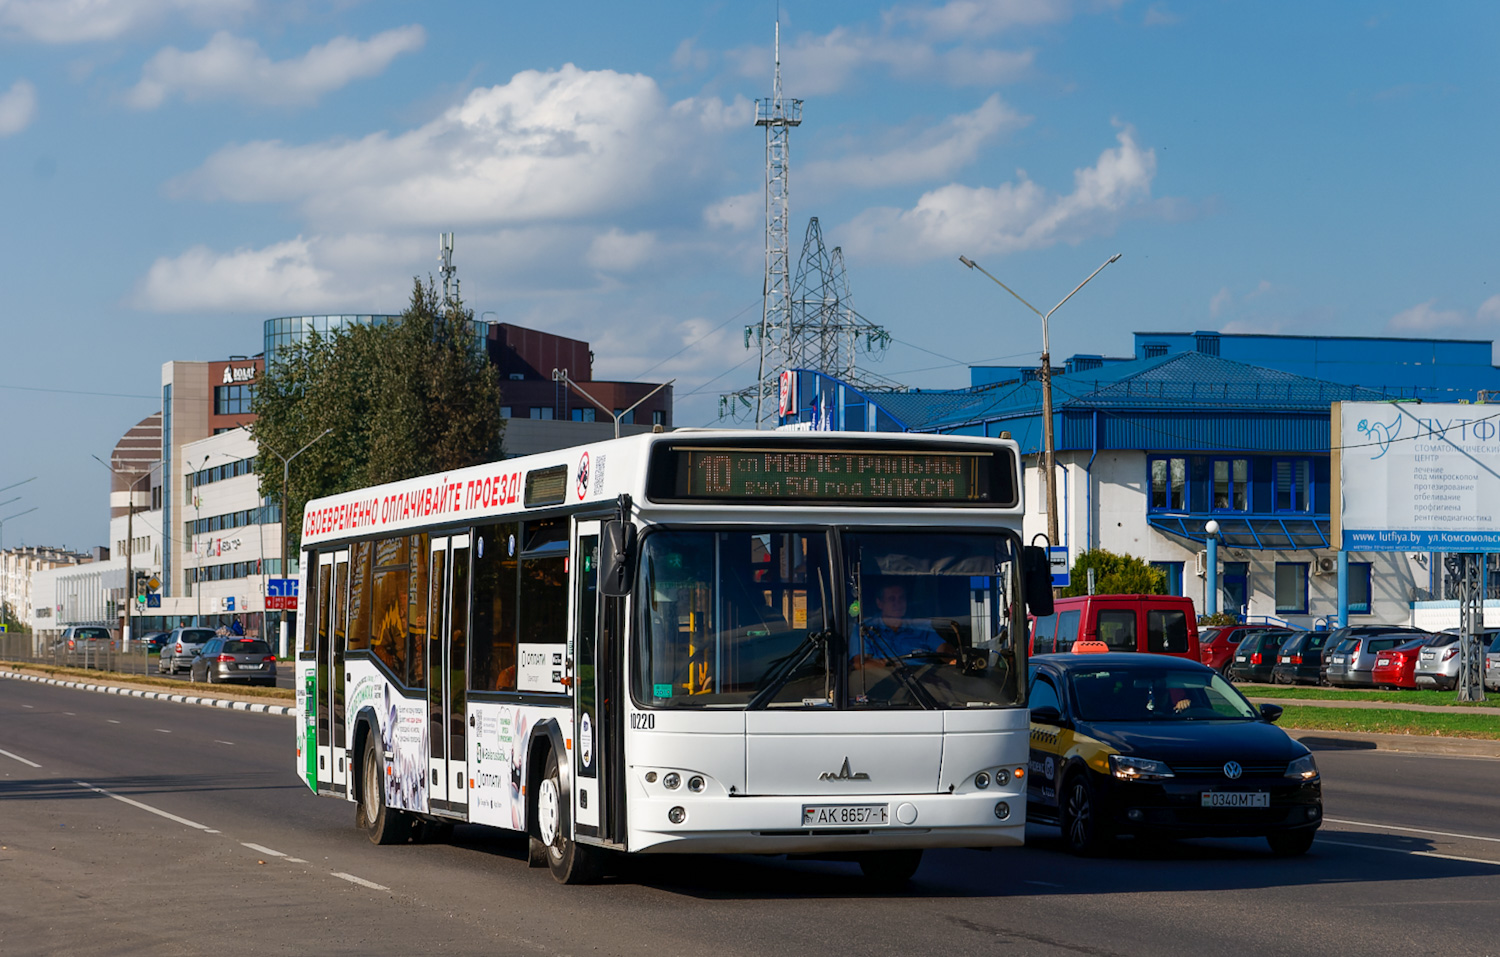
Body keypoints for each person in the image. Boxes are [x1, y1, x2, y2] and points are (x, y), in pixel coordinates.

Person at [854, 580, 953, 666]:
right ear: (879, 603)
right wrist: (895, 667)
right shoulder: (865, 630)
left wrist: (954, 658)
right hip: (885, 682)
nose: (897, 603)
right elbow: (861, 664)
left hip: (925, 683)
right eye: (892, 599)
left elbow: (943, 650)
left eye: (901, 598)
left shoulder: (920, 627)